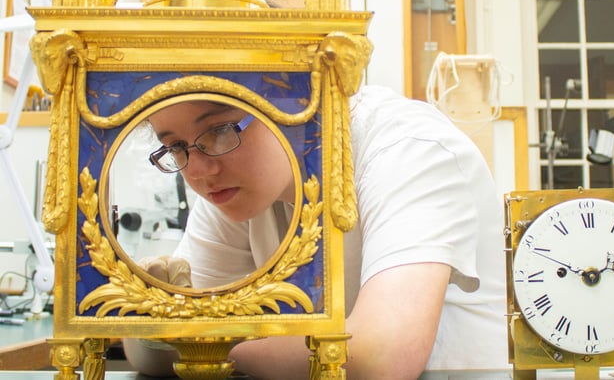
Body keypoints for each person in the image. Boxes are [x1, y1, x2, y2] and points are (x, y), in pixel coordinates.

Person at [122, 84, 508, 379]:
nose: (197, 172)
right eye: (175, 146)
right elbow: (142, 350)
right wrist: (169, 331)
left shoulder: (410, 149)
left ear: (294, 98)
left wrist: (189, 336)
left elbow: (380, 357)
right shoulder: (232, 189)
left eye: (219, 130)